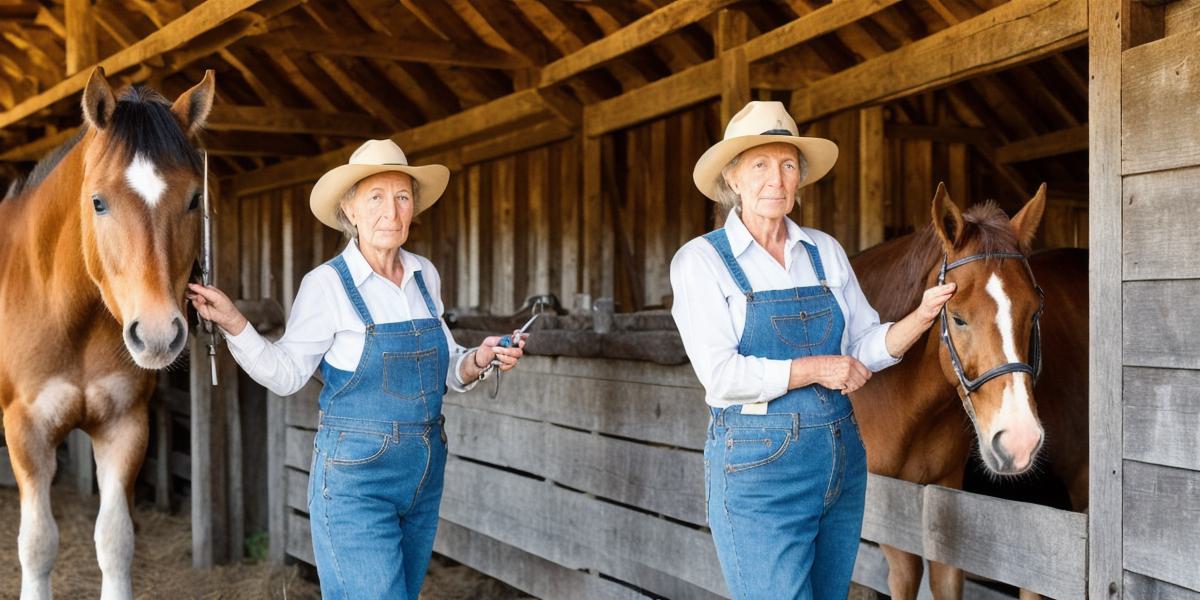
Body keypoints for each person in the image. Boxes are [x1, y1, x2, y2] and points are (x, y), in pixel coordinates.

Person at [187, 139, 524, 600]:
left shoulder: (425, 274)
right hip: (355, 482)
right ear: (349, 209)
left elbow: (446, 368)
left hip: (423, 474)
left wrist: (480, 358)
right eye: (376, 197)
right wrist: (233, 323)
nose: (392, 211)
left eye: (403, 196)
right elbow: (286, 376)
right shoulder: (326, 285)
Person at [669, 101, 954, 600]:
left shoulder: (825, 251)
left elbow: (863, 346)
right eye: (759, 165)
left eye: (787, 165)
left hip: (839, 458)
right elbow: (721, 376)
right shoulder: (701, 262)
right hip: (758, 467)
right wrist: (819, 368)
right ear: (733, 179)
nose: (775, 179)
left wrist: (922, 317)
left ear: (800, 179)